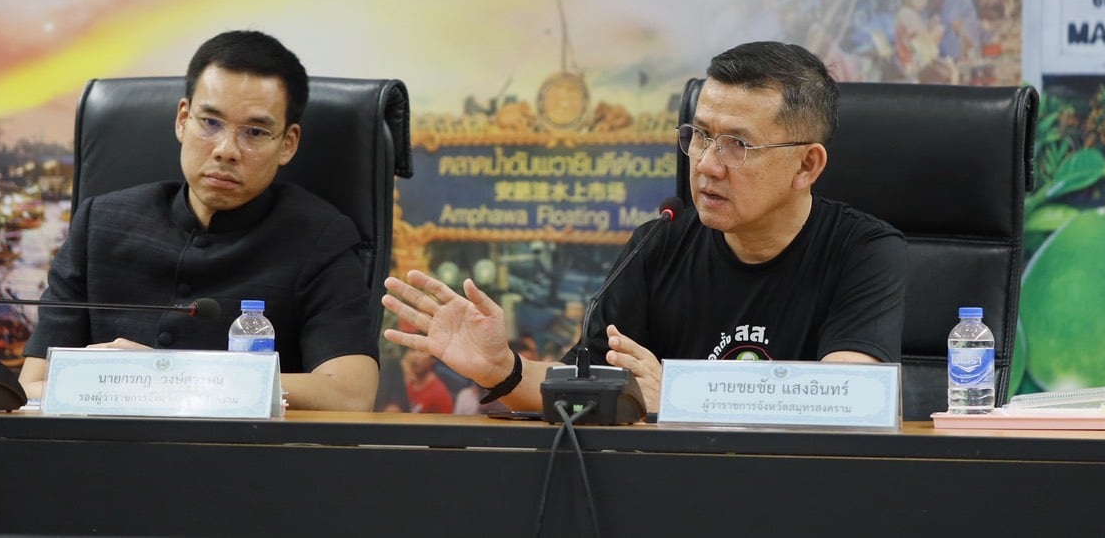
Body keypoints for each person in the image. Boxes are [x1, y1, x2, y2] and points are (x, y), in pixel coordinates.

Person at [382, 40, 904, 415]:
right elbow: (583, 388)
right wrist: (502, 368)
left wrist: (679, 397)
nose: (707, 164)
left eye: (737, 145)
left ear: (807, 165)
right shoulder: (661, 243)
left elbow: (851, 403)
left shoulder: (862, 251)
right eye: (701, 135)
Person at [19, 30, 379, 411]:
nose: (226, 150)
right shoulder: (98, 224)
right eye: (210, 122)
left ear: (288, 143)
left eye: (255, 132)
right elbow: (32, 386)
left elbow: (350, 394)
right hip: (105, 445)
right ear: (182, 120)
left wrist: (168, 375)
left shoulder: (320, 237)